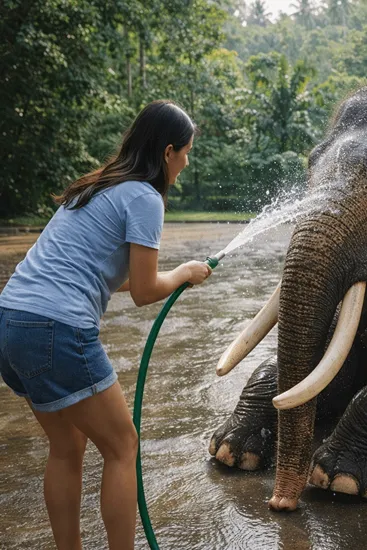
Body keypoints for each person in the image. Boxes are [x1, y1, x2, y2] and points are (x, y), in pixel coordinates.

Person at [0, 100, 213, 550]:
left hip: (12, 322)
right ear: (167, 151)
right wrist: (183, 274)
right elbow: (143, 291)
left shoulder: (98, 185)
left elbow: (95, 270)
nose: (187, 163)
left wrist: (163, 276)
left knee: (67, 447)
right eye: (187, 152)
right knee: (122, 447)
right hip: (56, 329)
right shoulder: (145, 197)